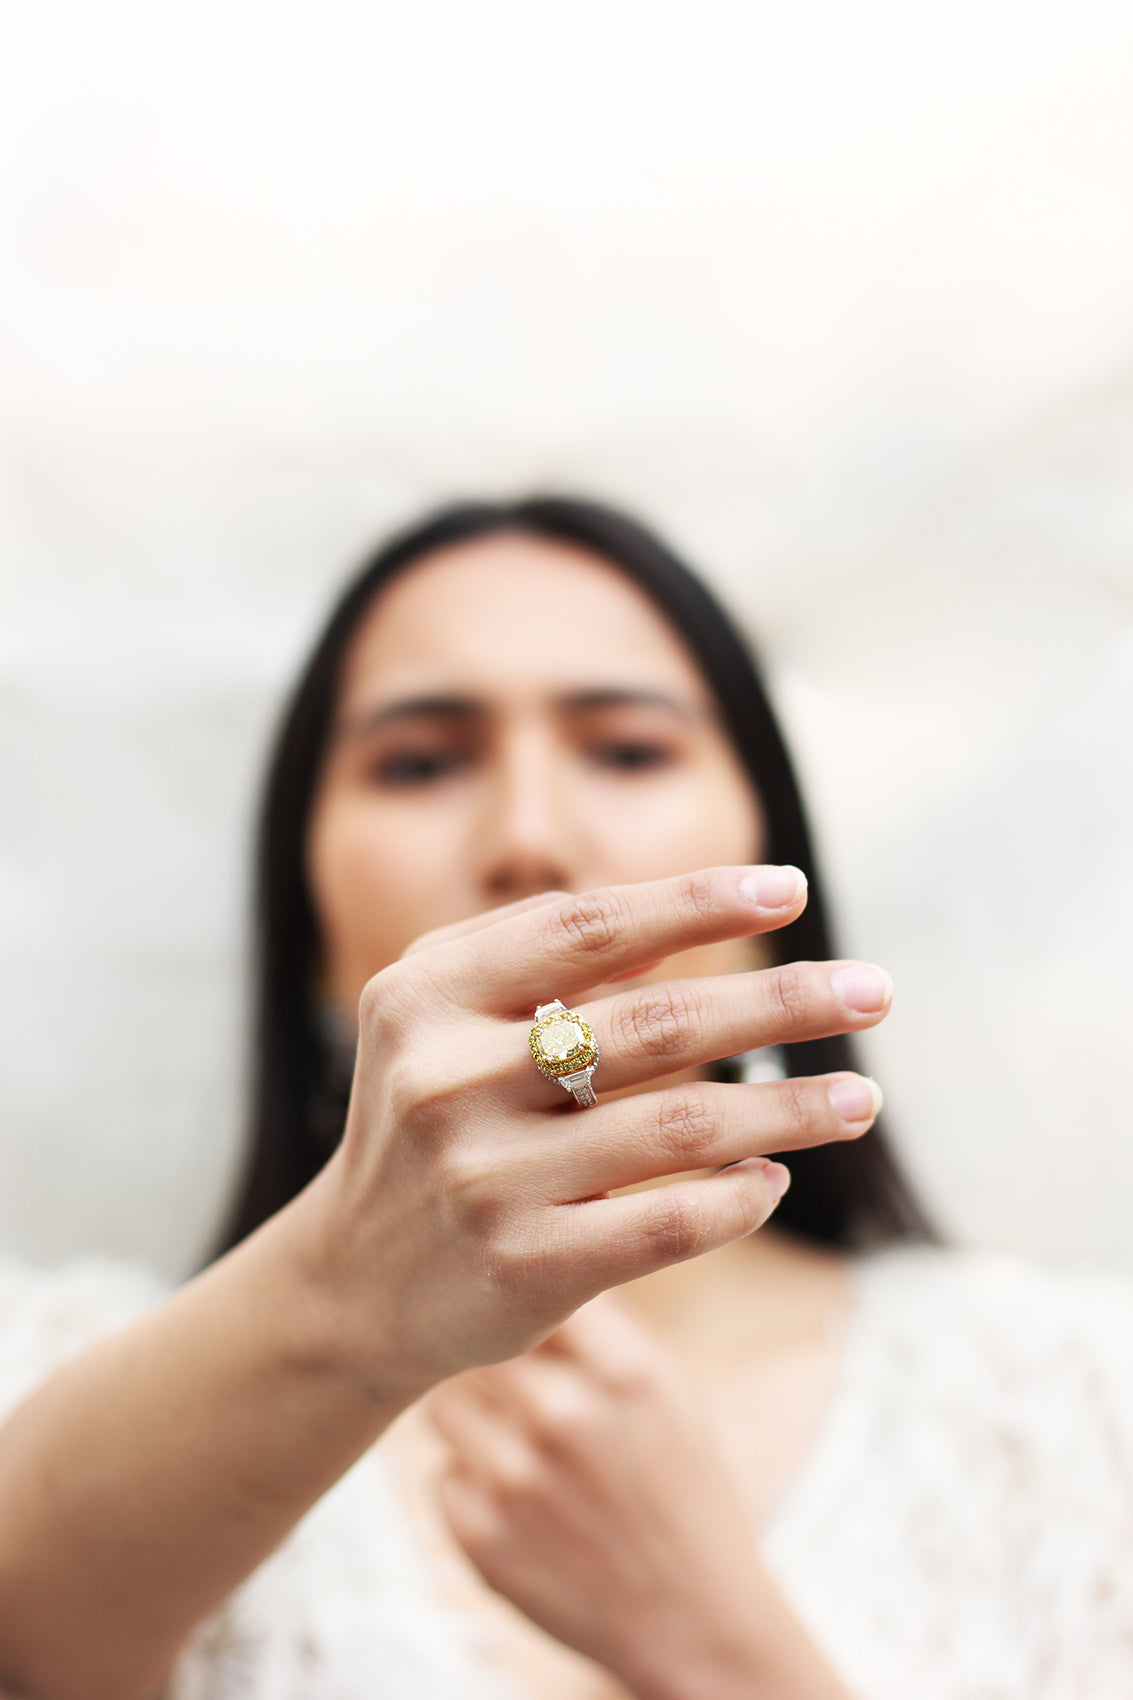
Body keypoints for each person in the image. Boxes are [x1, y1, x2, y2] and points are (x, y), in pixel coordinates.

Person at [0, 497, 1129, 1700]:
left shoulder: (1070, 1402)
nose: (529, 838)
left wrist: (712, 1643)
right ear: (309, 923)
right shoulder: (60, 1381)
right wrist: (348, 1283)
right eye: (421, 762)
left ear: (773, 859)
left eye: (629, 749)